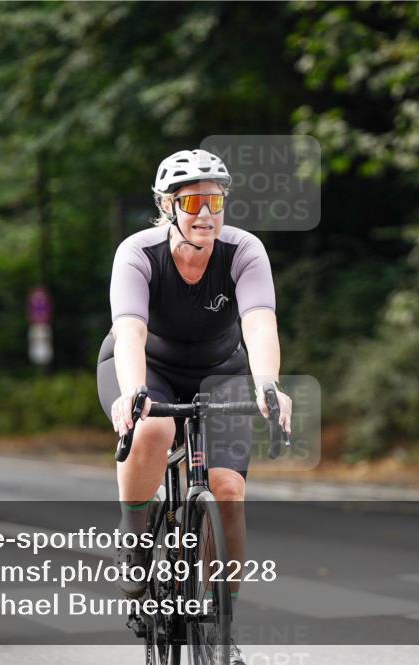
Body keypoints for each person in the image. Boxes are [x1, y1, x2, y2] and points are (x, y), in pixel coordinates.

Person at [97, 149, 292, 665]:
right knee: (151, 431)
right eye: (193, 201)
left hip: (221, 370)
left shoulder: (243, 250)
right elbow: (131, 330)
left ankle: (222, 625)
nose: (207, 213)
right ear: (167, 206)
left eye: (216, 200)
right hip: (147, 366)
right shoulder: (137, 253)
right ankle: (135, 537)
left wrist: (267, 383)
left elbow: (259, 321)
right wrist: (134, 391)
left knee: (227, 491)